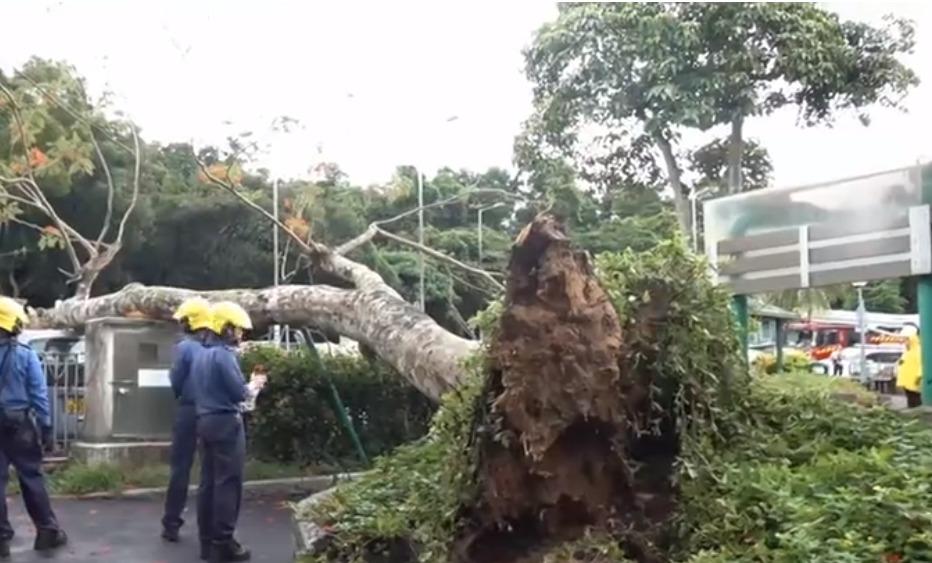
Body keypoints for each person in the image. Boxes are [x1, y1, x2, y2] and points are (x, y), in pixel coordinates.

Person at [0, 297, 68, 558]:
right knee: (31, 476)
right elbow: (39, 393)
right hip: (20, 424)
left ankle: (1, 538)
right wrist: (47, 426)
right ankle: (47, 532)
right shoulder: (25, 355)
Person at [193, 301, 254, 562]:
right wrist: (253, 387)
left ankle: (207, 542)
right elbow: (239, 393)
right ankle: (224, 542)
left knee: (207, 483)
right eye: (238, 329)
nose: (241, 335)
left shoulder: (201, 354)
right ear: (227, 329)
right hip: (226, 422)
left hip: (204, 420)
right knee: (228, 483)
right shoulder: (224, 356)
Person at [161, 297, 214, 542]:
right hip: (213, 412)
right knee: (210, 470)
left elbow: (176, 380)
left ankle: (172, 523)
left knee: (180, 468)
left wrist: (182, 396)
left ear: (190, 322)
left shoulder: (184, 348)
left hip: (189, 409)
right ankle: (210, 524)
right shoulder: (217, 347)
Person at [897, 326, 922, 408]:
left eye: (905, 339)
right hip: (908, 382)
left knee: (915, 402)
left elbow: (921, 364)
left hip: (914, 383)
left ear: (911, 338)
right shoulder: (908, 350)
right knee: (911, 401)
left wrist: (918, 378)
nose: (903, 341)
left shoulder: (918, 350)